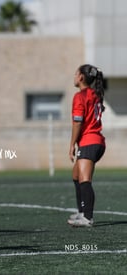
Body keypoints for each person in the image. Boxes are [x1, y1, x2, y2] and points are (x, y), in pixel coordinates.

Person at [67, 64, 106, 227]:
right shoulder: (94, 94)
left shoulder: (80, 96)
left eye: (76, 73)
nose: (74, 76)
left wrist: (71, 146)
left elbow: (78, 123)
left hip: (89, 142)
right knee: (76, 176)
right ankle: (82, 212)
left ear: (81, 77)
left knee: (85, 179)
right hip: (95, 141)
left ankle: (87, 217)